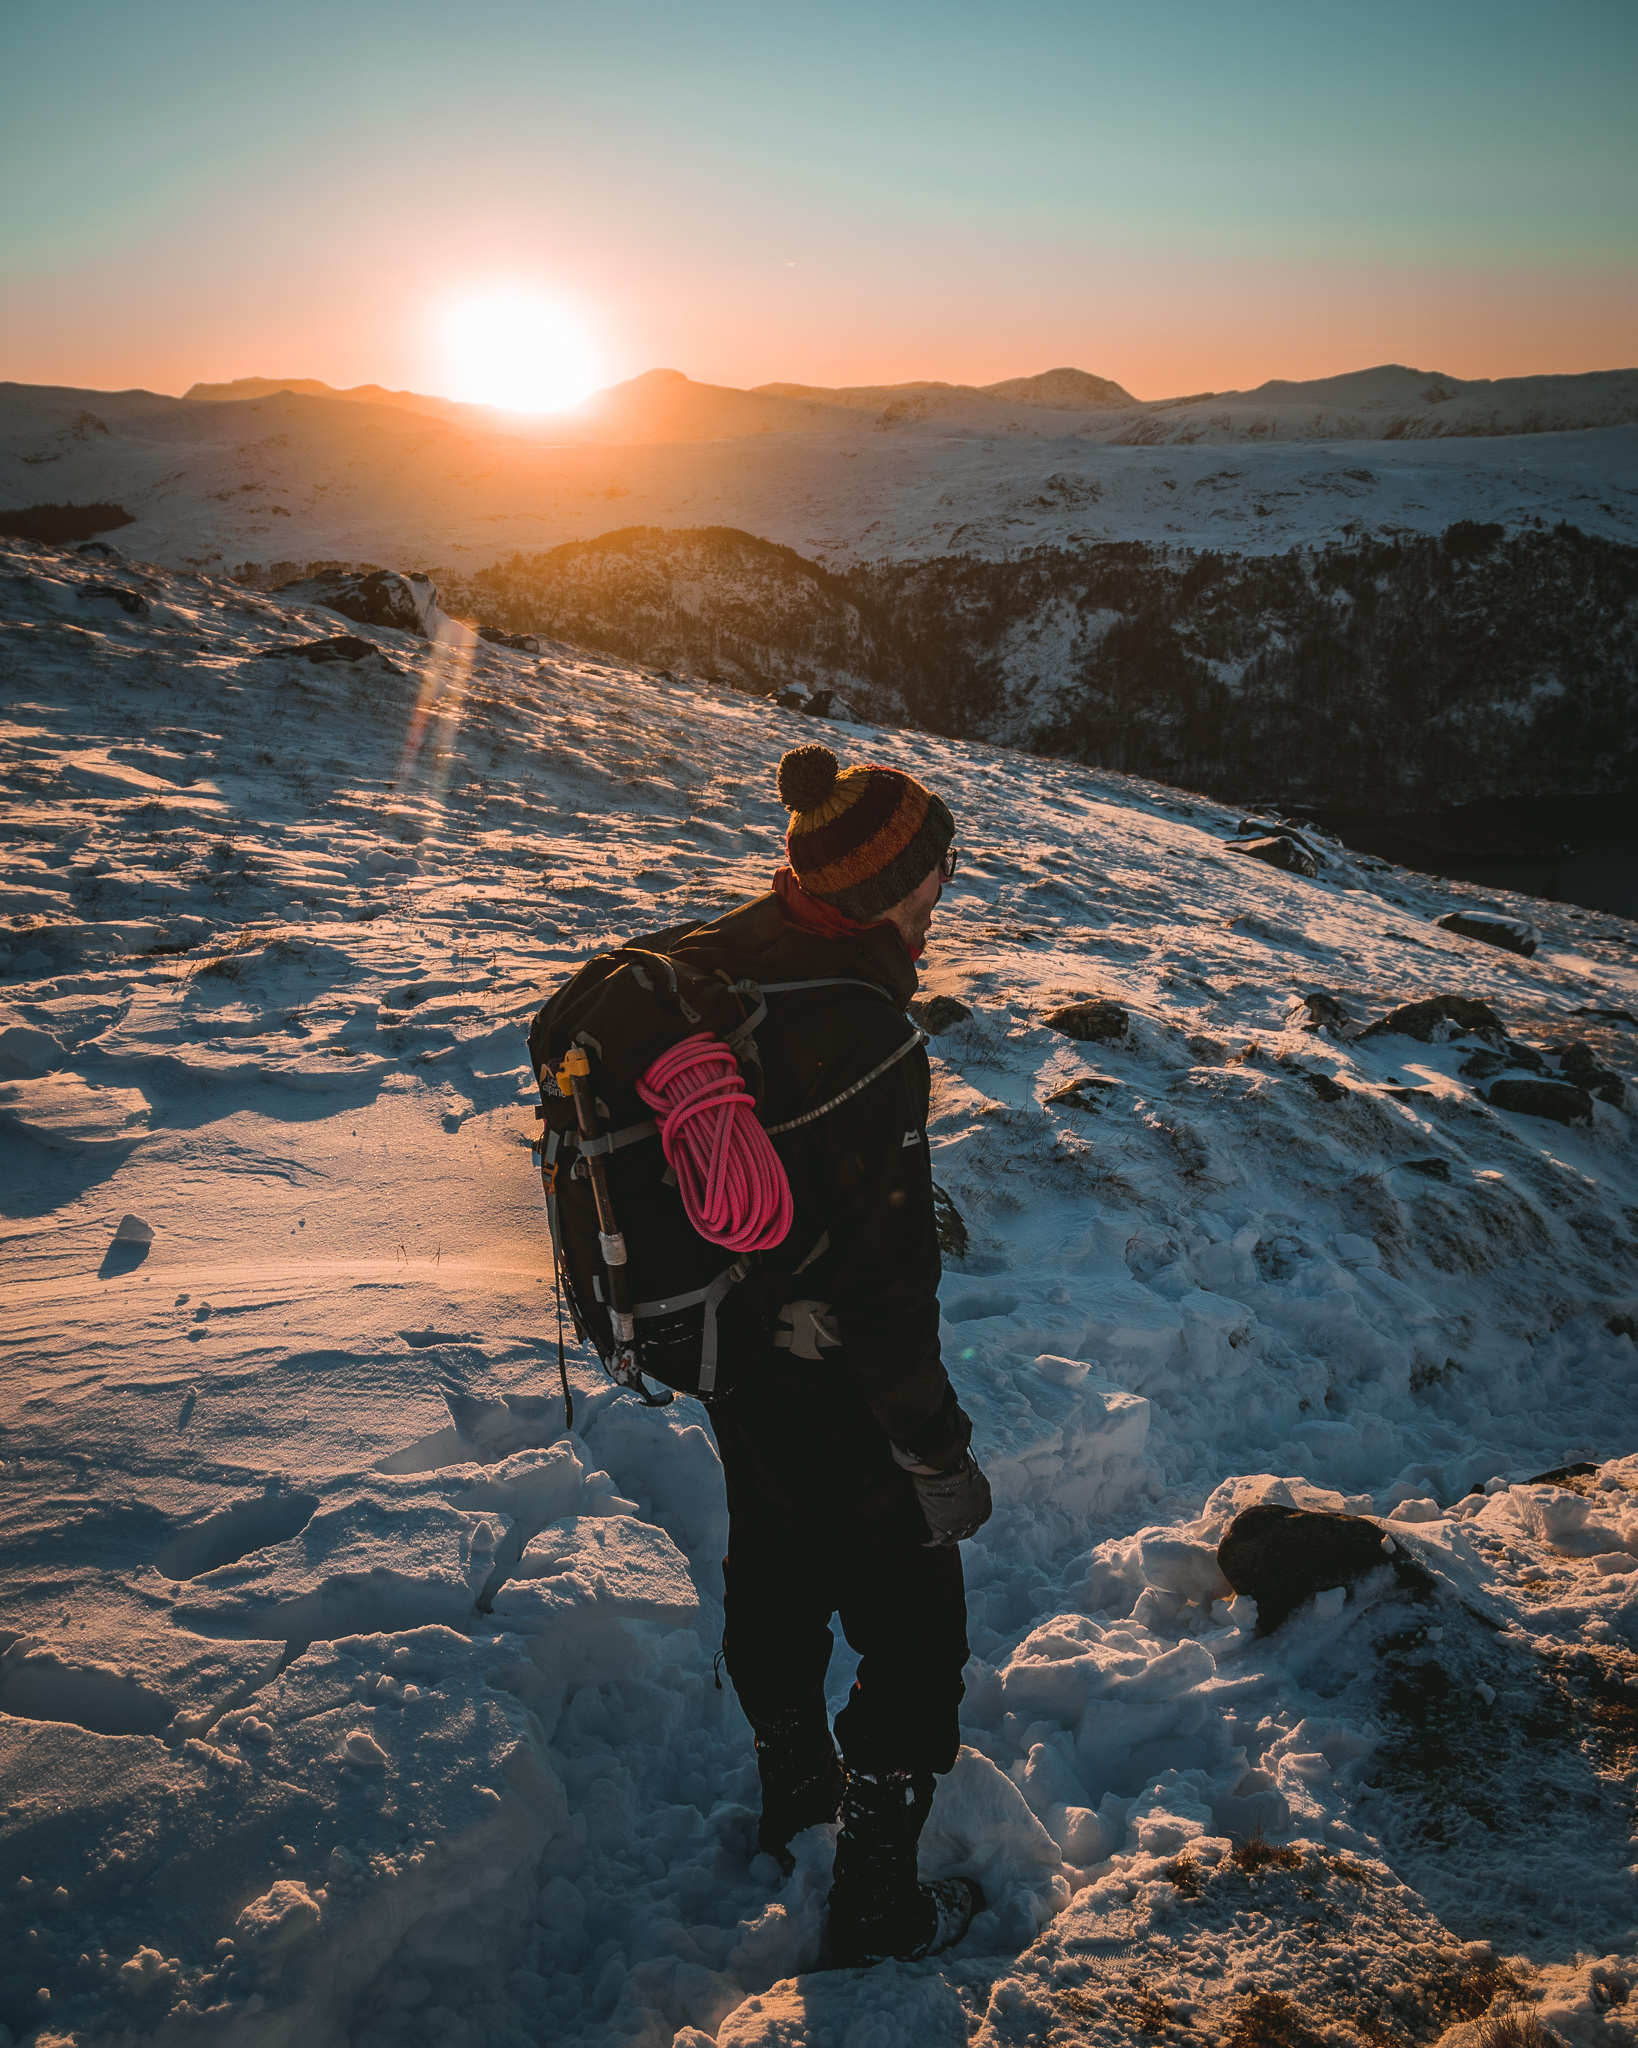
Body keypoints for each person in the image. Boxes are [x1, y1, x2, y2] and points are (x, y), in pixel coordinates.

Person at [658, 740, 993, 1967]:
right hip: (838, 1372)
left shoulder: (720, 961)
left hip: (739, 1351)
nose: (942, 893)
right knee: (917, 1628)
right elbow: (889, 1282)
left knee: (778, 1564)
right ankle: (871, 1896)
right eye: (931, 875)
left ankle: (795, 1793)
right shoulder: (865, 1032)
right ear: (881, 886)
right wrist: (934, 1448)